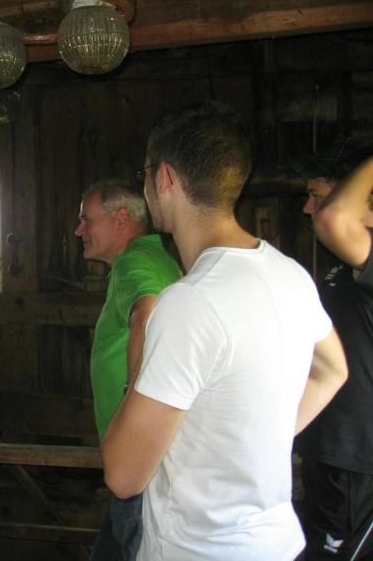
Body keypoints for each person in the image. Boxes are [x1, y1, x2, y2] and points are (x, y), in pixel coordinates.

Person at [101, 102, 348, 560]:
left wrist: (137, 371)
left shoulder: (190, 301)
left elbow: (123, 475)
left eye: (145, 174)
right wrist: (260, 443)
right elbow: (332, 371)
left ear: (165, 177)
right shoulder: (289, 273)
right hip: (277, 544)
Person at [74, 180, 180, 561]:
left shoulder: (134, 262)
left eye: (86, 220)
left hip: (142, 460)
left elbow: (148, 311)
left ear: (121, 219)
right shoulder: (154, 257)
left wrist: (133, 405)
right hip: (152, 457)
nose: (79, 231)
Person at [296, 136, 373, 560]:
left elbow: (334, 219)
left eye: (317, 195)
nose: (309, 209)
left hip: (356, 456)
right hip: (329, 446)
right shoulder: (344, 267)